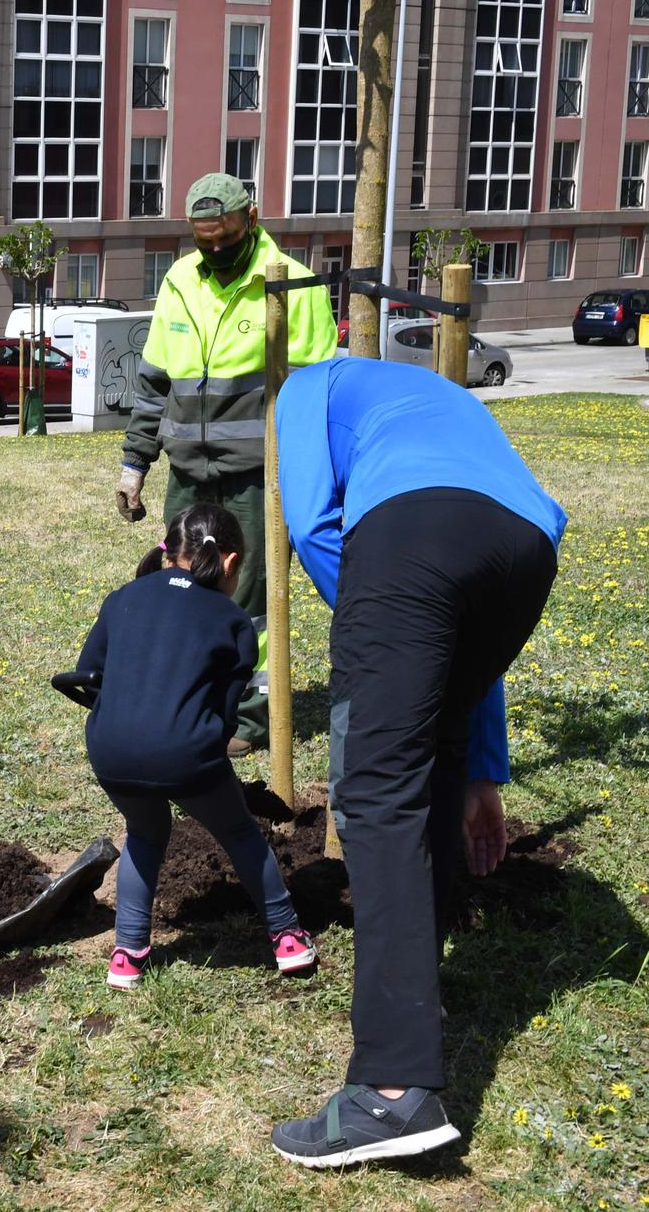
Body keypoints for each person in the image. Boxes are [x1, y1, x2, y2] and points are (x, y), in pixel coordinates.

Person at [267, 357, 564, 1168]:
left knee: (370, 791)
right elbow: (454, 651)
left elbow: (314, 524)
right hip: (528, 543)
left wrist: (375, 637)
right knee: (423, 765)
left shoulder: (303, 388)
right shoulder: (431, 394)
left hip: (408, 539)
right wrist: (478, 771)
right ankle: (413, 996)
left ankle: (393, 1091)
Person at [115, 173, 336, 756]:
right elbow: (155, 380)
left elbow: (314, 388)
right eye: (203, 240)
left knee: (247, 598)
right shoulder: (180, 281)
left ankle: (251, 717)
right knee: (180, 586)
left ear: (253, 220)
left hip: (256, 476)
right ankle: (193, 699)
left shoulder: (289, 284)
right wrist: (135, 463)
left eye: (226, 238)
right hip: (188, 472)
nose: (214, 250)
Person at [71, 503, 315, 991]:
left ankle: (127, 955)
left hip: (111, 751)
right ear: (229, 564)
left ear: (168, 553)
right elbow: (226, 715)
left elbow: (88, 675)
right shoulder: (233, 621)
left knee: (144, 833)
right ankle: (288, 938)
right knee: (240, 833)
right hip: (188, 752)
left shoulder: (121, 598)